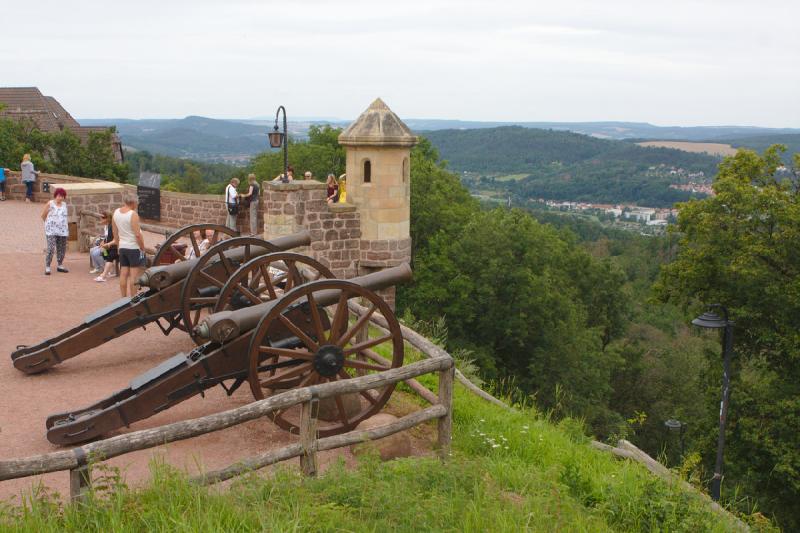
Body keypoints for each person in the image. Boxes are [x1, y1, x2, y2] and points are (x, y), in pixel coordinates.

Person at [111, 195, 145, 297]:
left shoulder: (116, 212)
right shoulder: (133, 214)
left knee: (123, 274)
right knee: (133, 276)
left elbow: (115, 232)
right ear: (133, 203)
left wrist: (118, 246)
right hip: (133, 248)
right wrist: (142, 248)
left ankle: (123, 298)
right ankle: (133, 298)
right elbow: (137, 235)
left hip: (122, 247)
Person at [41, 187, 69, 275]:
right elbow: (43, 216)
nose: (60, 197)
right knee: (51, 248)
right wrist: (48, 223)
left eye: (62, 196)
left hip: (62, 230)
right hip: (51, 230)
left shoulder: (64, 204)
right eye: (59, 195)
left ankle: (60, 265)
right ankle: (48, 266)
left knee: (61, 248)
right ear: (55, 195)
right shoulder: (50, 203)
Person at [91, 212, 118, 282]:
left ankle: (104, 274)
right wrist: (104, 243)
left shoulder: (112, 226)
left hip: (115, 247)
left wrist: (107, 244)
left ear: (107, 219)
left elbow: (115, 239)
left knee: (105, 255)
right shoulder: (108, 226)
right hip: (110, 246)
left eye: (102, 218)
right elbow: (107, 237)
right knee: (103, 253)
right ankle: (105, 271)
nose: (100, 220)